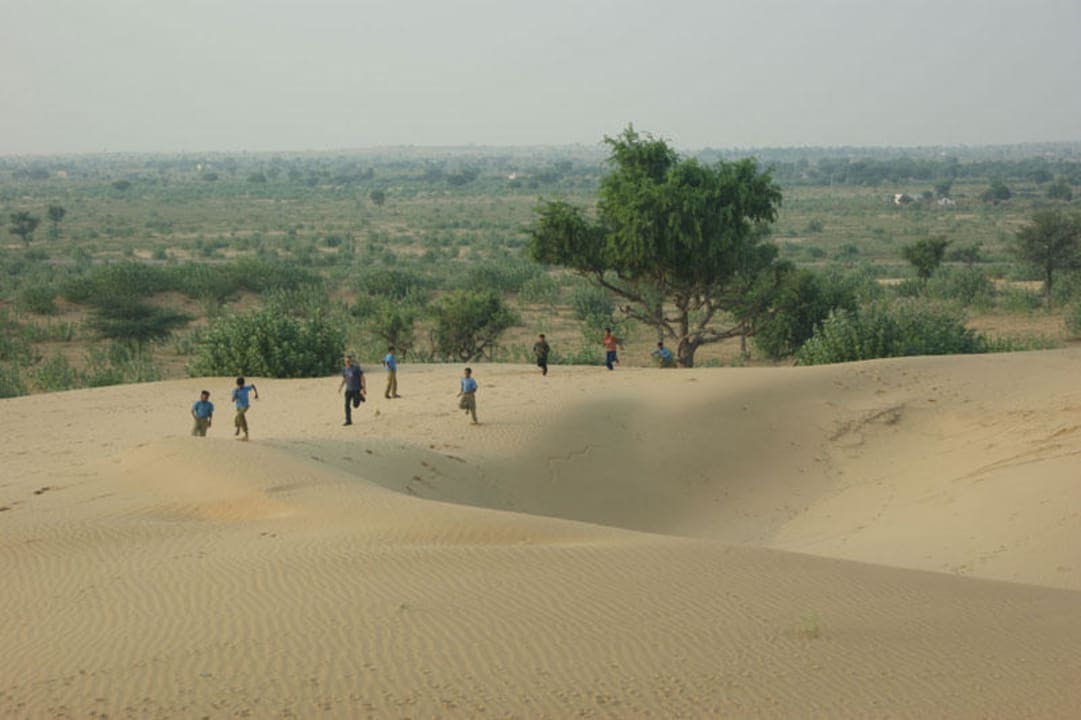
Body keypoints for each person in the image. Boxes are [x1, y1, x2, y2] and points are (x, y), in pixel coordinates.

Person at [338, 354, 365, 425]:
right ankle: (348, 420)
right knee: (346, 405)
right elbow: (344, 378)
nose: (347, 362)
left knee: (355, 405)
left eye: (349, 361)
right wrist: (341, 387)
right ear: (344, 361)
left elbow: (362, 377)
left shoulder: (356, 368)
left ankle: (360, 397)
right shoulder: (344, 369)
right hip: (348, 390)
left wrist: (364, 388)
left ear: (351, 361)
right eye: (346, 361)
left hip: (356, 389)